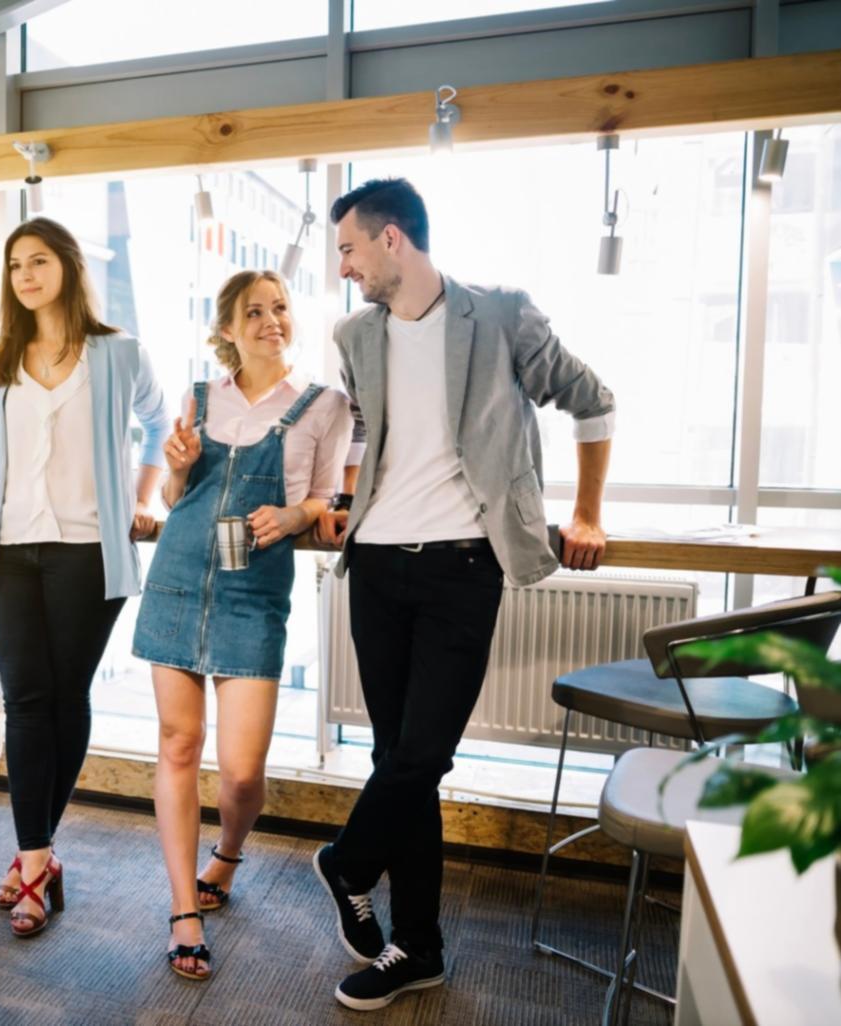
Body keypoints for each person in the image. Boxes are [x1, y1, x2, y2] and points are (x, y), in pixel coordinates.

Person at [314, 177, 613, 1012]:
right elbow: (373, 435)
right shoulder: (353, 335)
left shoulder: (501, 315)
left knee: (421, 755)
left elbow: (591, 401)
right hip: (374, 567)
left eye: (347, 248)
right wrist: (344, 501)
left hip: (461, 569)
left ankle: (344, 863)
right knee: (398, 765)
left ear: (391, 240)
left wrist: (586, 512)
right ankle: (419, 948)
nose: (342, 267)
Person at [132, 269, 359, 981]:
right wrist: (175, 468)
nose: (271, 320)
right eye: (253, 312)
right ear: (227, 329)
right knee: (176, 745)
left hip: (252, 591)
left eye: (280, 308)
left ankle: (226, 854)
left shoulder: (324, 405)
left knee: (238, 771)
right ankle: (182, 911)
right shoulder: (199, 398)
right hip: (175, 578)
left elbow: (327, 496)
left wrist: (296, 515)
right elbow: (176, 498)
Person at [0, 217, 169, 938]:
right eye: (13, 265)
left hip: (88, 549)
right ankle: (36, 858)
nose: (24, 275)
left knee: (64, 697)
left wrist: (143, 497)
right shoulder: (4, 354)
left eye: (37, 261)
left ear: (65, 265)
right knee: (26, 703)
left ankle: (34, 855)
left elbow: (160, 422)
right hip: (9, 548)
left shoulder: (117, 354)